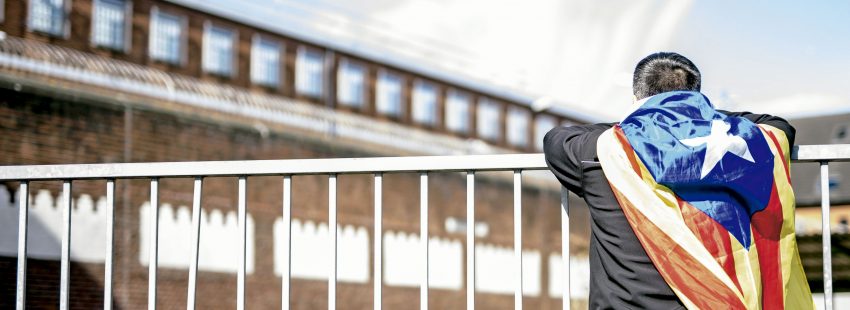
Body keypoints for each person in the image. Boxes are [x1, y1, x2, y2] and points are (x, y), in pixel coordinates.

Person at [544, 52, 811, 309]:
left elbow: (556, 139)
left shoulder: (605, 151)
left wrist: (646, 126)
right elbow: (777, 125)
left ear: (637, 97)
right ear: (697, 98)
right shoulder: (740, 150)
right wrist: (694, 118)